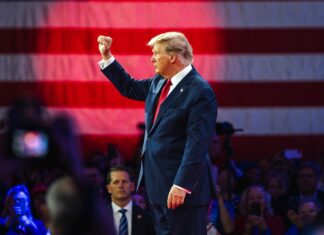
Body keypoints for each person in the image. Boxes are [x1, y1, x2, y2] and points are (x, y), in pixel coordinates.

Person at [97, 31, 217, 235]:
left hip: (181, 190)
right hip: (157, 186)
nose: (152, 58)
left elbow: (197, 144)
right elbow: (130, 87)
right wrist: (107, 57)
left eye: (156, 53)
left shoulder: (199, 91)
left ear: (172, 57)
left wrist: (182, 184)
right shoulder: (159, 81)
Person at [106, 166, 155, 235]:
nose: (120, 186)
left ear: (132, 186)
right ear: (109, 188)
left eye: (124, 181)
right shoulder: (98, 218)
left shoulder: (147, 218)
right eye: (116, 182)